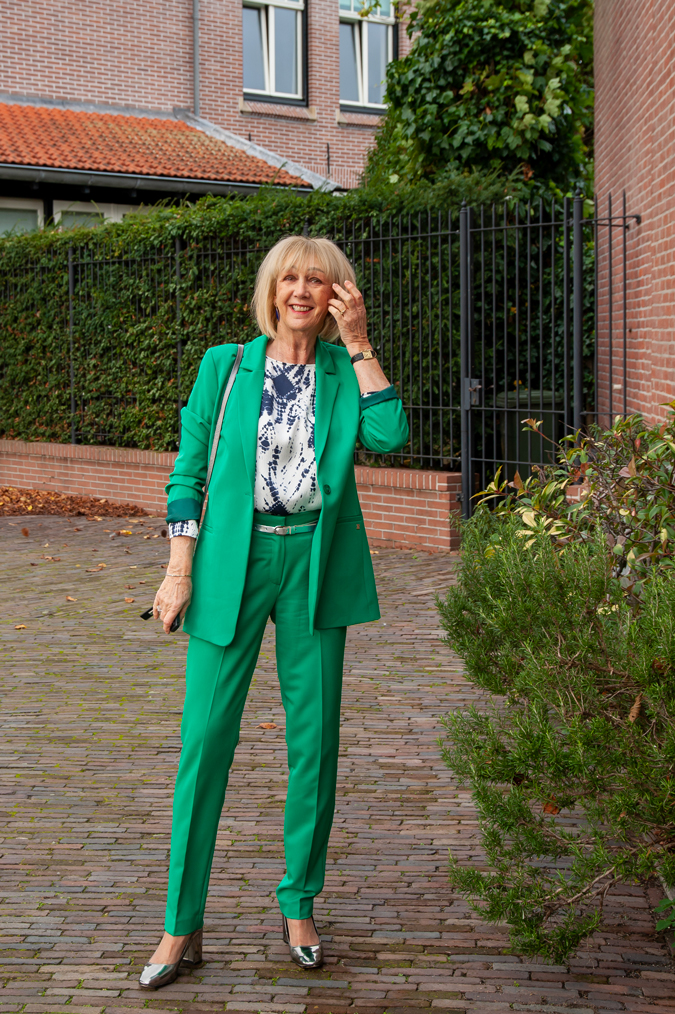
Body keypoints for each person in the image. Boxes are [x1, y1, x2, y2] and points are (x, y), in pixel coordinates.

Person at [139, 235, 409, 990]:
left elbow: (390, 434)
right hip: (233, 563)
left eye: (316, 281)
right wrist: (176, 571)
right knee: (204, 746)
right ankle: (180, 925)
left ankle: (298, 903)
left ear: (336, 295)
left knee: (313, 743)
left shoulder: (340, 369)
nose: (299, 291)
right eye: (288, 278)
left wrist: (358, 345)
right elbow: (187, 472)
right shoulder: (225, 367)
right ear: (271, 289)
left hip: (315, 567)